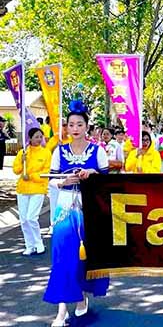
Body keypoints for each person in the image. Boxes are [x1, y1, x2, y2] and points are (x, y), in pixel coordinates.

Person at [43, 100, 110, 326]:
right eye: (70, 124)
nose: (74, 128)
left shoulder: (98, 151)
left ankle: (81, 297)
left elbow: (107, 181)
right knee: (62, 257)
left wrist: (93, 173)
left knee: (85, 258)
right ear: (67, 128)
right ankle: (61, 311)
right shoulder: (59, 152)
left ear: (86, 127)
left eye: (79, 124)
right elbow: (52, 180)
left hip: (90, 209)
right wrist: (64, 181)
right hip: (65, 207)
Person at [12, 128, 51, 255]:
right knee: (23, 219)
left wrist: (32, 176)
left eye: (41, 137)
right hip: (22, 189)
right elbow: (16, 170)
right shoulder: (23, 152)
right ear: (30, 138)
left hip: (38, 189)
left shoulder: (46, 153)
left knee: (31, 218)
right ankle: (29, 246)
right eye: (36, 137)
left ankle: (39, 243)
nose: (39, 139)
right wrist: (23, 160)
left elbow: (46, 171)